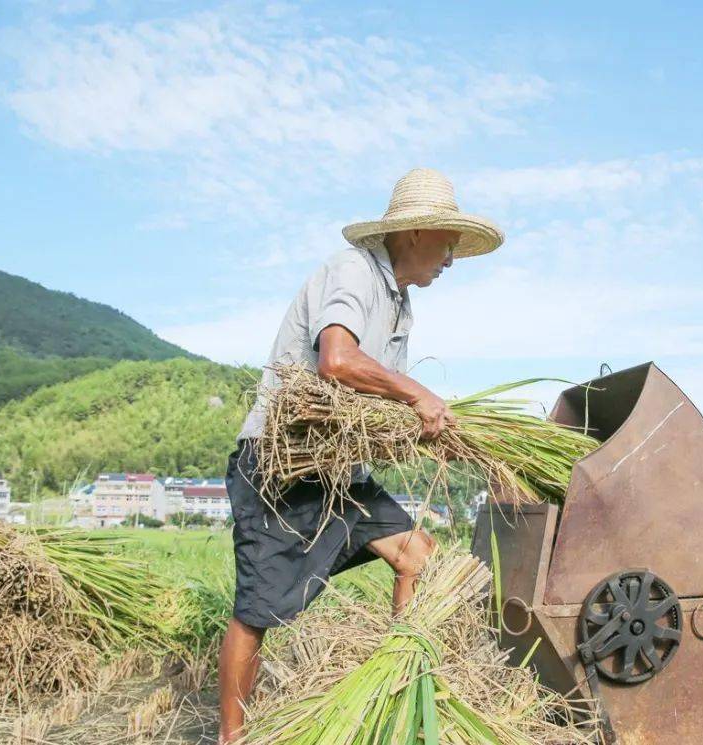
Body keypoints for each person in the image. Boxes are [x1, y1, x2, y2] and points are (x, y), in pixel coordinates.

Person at [217, 168, 504, 743]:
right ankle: (232, 737)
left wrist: (422, 426)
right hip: (285, 466)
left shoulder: (400, 305)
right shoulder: (354, 273)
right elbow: (338, 361)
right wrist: (419, 393)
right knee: (260, 609)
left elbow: (371, 398)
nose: (451, 257)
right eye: (448, 242)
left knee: (416, 555)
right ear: (417, 232)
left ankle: (394, 690)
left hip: (339, 472)